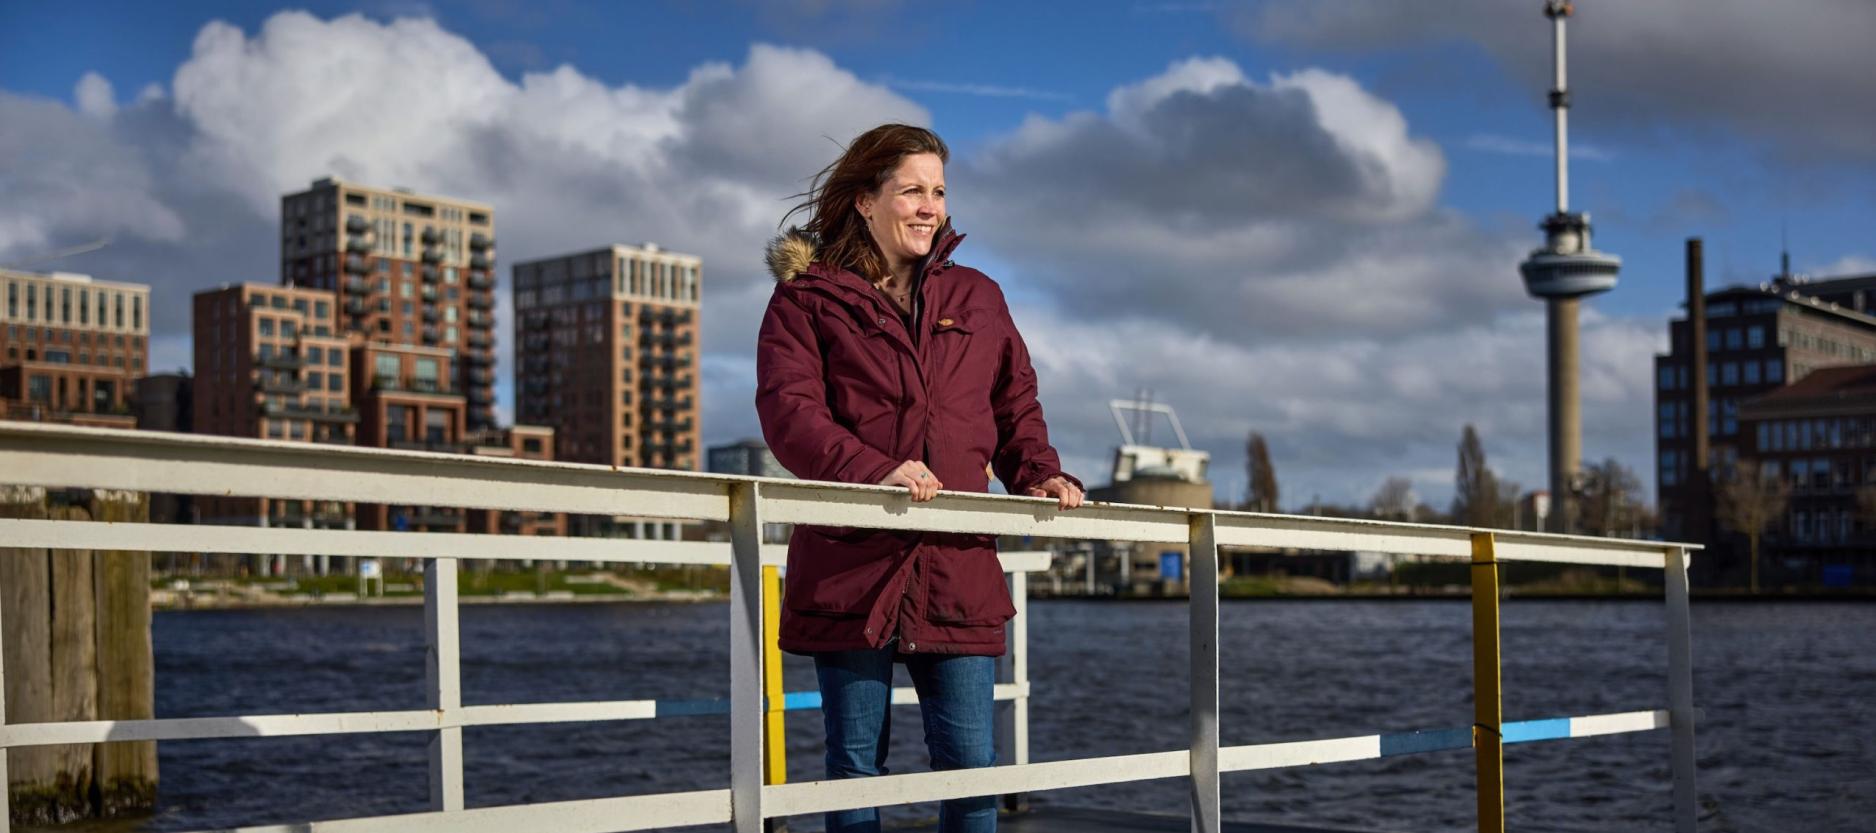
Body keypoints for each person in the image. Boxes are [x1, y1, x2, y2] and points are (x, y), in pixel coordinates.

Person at [754, 123, 1084, 833]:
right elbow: (791, 415)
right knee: (852, 769)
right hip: (850, 562)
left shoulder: (980, 297)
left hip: (957, 565)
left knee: (972, 766)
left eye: (938, 191)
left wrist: (1041, 474)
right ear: (865, 200)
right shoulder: (807, 299)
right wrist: (876, 471)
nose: (930, 206)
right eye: (912, 190)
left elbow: (1014, 405)